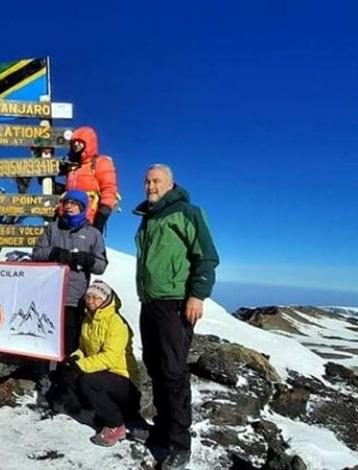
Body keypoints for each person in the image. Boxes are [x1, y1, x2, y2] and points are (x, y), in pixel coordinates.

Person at [135, 164, 219, 470]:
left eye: (156, 181)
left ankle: (180, 444)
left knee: (173, 371)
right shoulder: (149, 216)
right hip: (151, 302)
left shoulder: (187, 212)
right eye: (146, 181)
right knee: (156, 367)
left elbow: (206, 256)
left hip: (175, 303)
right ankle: (163, 428)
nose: (150, 186)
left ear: (170, 184)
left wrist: (197, 294)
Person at [64, 280, 144, 447]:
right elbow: (83, 348)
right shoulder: (88, 320)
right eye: (89, 297)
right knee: (70, 374)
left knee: (88, 381)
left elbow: (111, 357)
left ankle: (115, 425)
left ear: (106, 300)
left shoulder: (116, 323)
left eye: (97, 298)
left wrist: (83, 365)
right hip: (105, 376)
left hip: (124, 379)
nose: (92, 301)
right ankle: (97, 411)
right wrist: (76, 358)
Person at [32, 189, 107, 355]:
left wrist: (88, 260)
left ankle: (66, 377)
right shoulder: (53, 228)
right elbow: (36, 254)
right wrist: (54, 253)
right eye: (66, 203)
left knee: (70, 343)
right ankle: (44, 378)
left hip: (75, 298)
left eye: (73, 204)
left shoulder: (93, 234)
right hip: (49, 296)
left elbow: (101, 266)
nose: (68, 207)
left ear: (82, 207)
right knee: (44, 339)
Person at [62, 126, 119, 232]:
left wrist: (101, 218)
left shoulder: (101, 162)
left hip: (89, 221)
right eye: (74, 142)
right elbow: (68, 192)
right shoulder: (73, 167)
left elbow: (109, 189)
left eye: (80, 141)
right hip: (68, 220)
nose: (76, 144)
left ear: (89, 142)